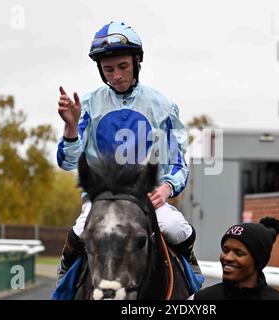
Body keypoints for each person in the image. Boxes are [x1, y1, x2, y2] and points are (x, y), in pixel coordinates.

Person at [55, 21, 201, 285]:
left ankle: (191, 278)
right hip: (101, 198)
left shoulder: (163, 106)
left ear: (136, 62)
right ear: (100, 70)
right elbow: (68, 162)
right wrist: (71, 125)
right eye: (108, 69)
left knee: (176, 229)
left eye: (123, 67)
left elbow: (178, 164)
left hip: (147, 199)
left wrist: (167, 188)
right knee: (78, 234)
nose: (117, 76)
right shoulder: (87, 105)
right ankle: (65, 280)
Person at [190, 217, 279, 300]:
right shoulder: (200, 298)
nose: (228, 257)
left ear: (258, 260)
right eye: (225, 250)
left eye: (239, 253)